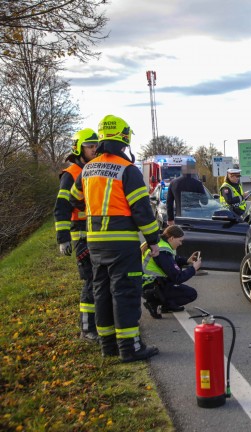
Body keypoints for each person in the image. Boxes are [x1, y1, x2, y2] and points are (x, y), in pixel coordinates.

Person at [70, 114, 161, 363]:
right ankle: (130, 348)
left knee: (102, 292)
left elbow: (73, 198)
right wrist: (153, 241)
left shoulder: (88, 168)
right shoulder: (127, 170)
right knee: (125, 293)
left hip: (95, 243)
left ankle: (108, 345)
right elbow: (142, 210)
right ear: (124, 139)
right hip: (122, 244)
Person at [54, 128, 99, 342]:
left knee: (100, 280)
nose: (94, 149)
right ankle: (87, 329)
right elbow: (61, 207)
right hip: (81, 237)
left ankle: (99, 324)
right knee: (90, 282)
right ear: (79, 148)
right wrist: (62, 238)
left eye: (95, 145)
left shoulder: (94, 170)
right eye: (90, 146)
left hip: (97, 235)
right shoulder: (71, 174)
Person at [141, 225, 201, 318]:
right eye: (180, 240)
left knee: (185, 291)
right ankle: (154, 302)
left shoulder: (159, 243)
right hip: (152, 287)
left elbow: (170, 260)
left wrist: (186, 261)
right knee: (191, 294)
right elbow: (177, 277)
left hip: (147, 284)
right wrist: (193, 269)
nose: (181, 243)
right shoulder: (162, 251)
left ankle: (166, 304)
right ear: (172, 238)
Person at [166, 159, 205, 226]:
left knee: (181, 236)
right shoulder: (198, 183)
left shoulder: (173, 183)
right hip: (196, 217)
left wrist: (170, 219)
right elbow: (205, 202)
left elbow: (169, 203)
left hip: (180, 217)